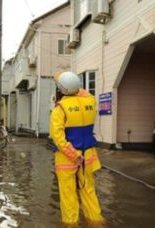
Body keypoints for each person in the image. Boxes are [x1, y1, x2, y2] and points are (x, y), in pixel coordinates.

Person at [49, 71, 105, 227]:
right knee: (89, 191)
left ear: (61, 89)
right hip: (89, 156)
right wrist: (71, 83)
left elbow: (59, 139)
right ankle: (96, 222)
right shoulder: (91, 102)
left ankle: (70, 224)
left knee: (68, 194)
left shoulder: (59, 109)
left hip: (67, 158)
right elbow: (83, 92)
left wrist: (74, 156)